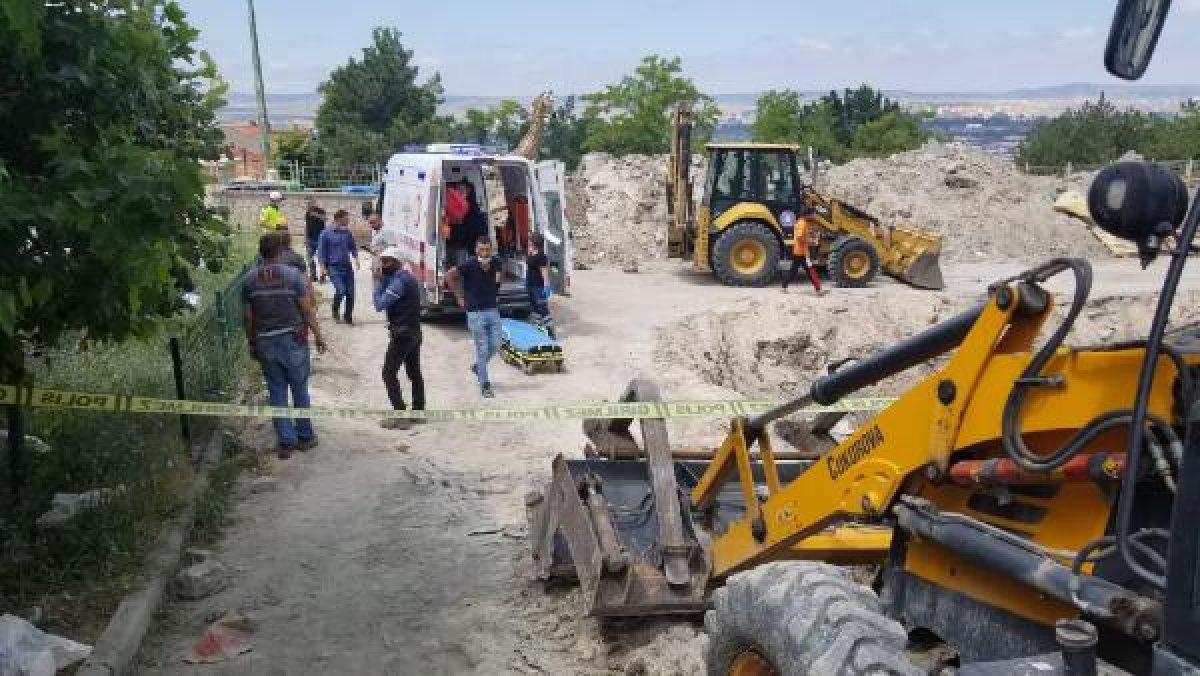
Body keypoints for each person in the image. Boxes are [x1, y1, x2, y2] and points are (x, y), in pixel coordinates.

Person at [241, 232, 328, 458]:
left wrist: (252, 342)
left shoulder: (249, 280)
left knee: (276, 390)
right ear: (280, 251)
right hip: (293, 340)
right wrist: (318, 336)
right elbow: (307, 310)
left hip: (265, 341)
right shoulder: (293, 276)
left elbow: (248, 317)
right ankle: (305, 437)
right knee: (299, 388)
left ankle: (286, 441)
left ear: (260, 252)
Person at [373, 246, 425, 429]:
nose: (383, 265)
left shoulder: (399, 282)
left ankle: (400, 415)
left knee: (388, 373)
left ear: (397, 262)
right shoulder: (408, 278)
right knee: (414, 373)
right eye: (382, 261)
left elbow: (379, 305)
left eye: (386, 261)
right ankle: (418, 412)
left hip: (402, 335)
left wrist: (377, 282)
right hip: (415, 332)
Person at [446, 236, 503, 398]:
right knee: (482, 348)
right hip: (475, 313)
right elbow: (449, 276)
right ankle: (485, 384)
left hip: (492, 309)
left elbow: (498, 279)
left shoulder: (496, 262)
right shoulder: (469, 264)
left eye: (487, 250)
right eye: (481, 250)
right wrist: (459, 296)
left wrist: (495, 289)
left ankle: (478, 366)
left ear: (491, 250)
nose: (484, 253)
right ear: (476, 250)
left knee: (496, 344)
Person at [316, 209, 361, 324]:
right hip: (334, 268)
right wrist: (323, 268)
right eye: (346, 218)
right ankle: (335, 310)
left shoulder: (347, 233)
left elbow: (353, 246)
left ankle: (348, 316)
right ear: (339, 219)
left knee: (351, 293)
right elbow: (321, 252)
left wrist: (356, 259)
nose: (348, 221)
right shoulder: (325, 233)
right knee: (341, 291)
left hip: (347, 267)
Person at [781, 209, 825, 295]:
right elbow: (799, 237)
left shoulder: (803, 222)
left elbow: (806, 233)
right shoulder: (802, 224)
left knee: (794, 270)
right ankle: (818, 290)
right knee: (810, 270)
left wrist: (813, 235)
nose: (814, 216)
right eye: (813, 214)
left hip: (799, 251)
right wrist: (811, 241)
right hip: (802, 252)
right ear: (807, 215)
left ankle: (784, 286)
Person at [526, 233, 555, 338]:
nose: (528, 242)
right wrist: (530, 252)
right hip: (530, 285)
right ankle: (538, 331)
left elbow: (544, 272)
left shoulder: (541, 256)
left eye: (530, 241)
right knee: (535, 309)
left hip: (538, 287)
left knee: (543, 309)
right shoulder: (531, 253)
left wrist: (546, 286)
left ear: (535, 242)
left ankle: (551, 333)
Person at [444, 181, 472, 267]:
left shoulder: (465, 203)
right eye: (459, 189)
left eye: (463, 190)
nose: (461, 191)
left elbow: (456, 214)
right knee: (453, 258)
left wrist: (450, 190)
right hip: (452, 234)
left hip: (457, 235)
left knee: (457, 260)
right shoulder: (457, 200)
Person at [303, 199, 327, 282]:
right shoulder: (307, 213)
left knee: (321, 257)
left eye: (310, 204)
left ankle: (322, 274)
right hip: (310, 238)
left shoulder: (321, 211)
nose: (308, 206)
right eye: (308, 204)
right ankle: (313, 275)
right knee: (309, 258)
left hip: (320, 238)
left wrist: (316, 214)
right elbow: (307, 226)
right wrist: (305, 238)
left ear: (315, 204)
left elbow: (325, 219)